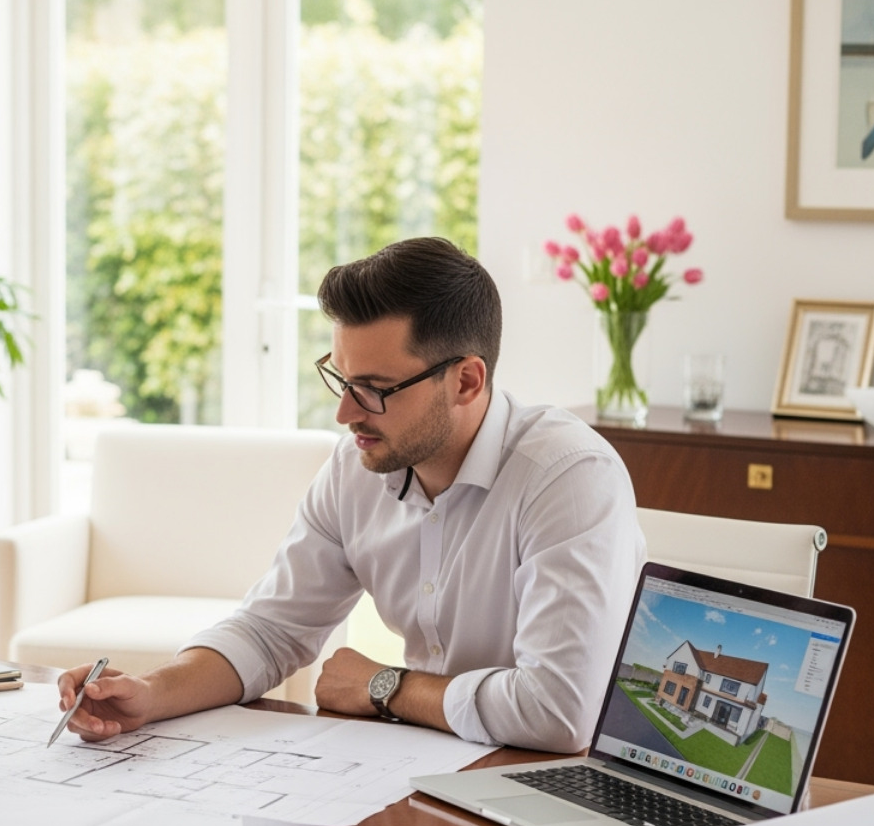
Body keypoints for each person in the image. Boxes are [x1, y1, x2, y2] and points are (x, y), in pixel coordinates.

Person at [56, 237, 644, 754]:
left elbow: (560, 712)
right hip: (428, 756)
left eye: (375, 389)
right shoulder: (357, 464)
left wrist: (383, 686)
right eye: (341, 378)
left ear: (466, 380)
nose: (344, 413)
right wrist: (151, 693)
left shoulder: (568, 477)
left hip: (553, 778)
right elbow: (271, 631)